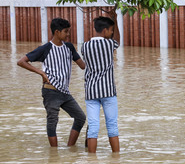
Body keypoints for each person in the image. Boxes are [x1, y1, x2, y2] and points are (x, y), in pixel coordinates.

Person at [17, 17, 86, 147]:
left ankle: (69, 147)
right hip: (51, 90)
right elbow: (21, 62)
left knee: (81, 117)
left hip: (65, 92)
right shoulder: (45, 48)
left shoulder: (69, 47)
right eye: (66, 31)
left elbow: (82, 66)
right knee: (52, 121)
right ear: (57, 32)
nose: (68, 34)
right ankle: (54, 154)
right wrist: (41, 73)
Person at [81, 10, 120, 153]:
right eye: (110, 30)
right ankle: (116, 158)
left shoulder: (84, 46)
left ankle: (92, 159)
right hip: (108, 91)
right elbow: (118, 41)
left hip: (91, 91)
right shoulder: (109, 45)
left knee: (93, 126)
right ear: (105, 31)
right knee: (112, 126)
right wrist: (115, 20)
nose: (111, 33)